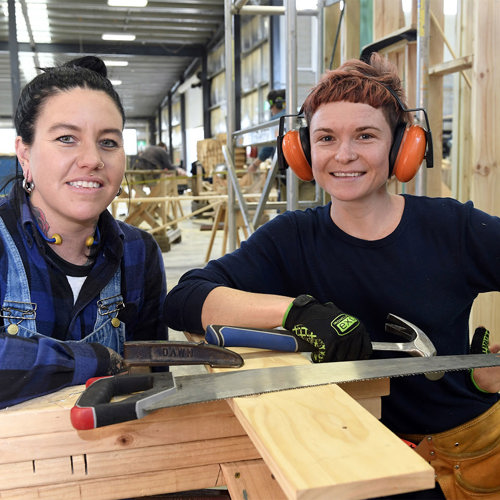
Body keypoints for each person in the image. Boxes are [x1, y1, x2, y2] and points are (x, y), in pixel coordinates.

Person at [165, 53, 500, 499]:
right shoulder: (291, 239)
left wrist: (481, 376)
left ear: (402, 146)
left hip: (468, 452)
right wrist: (294, 312)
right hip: (350, 457)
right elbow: (185, 300)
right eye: (326, 138)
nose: (344, 155)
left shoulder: (453, 228)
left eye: (365, 136)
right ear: (303, 152)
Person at [0, 56, 168, 409]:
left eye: (108, 142)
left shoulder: (139, 252)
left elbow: (152, 380)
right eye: (66, 138)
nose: (92, 159)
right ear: (25, 154)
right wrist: (99, 360)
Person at [248, 89, 287, 173]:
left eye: (271, 106)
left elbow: (268, 147)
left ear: (278, 104)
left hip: (286, 168)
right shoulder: (300, 115)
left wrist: (255, 165)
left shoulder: (276, 120)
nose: (271, 110)